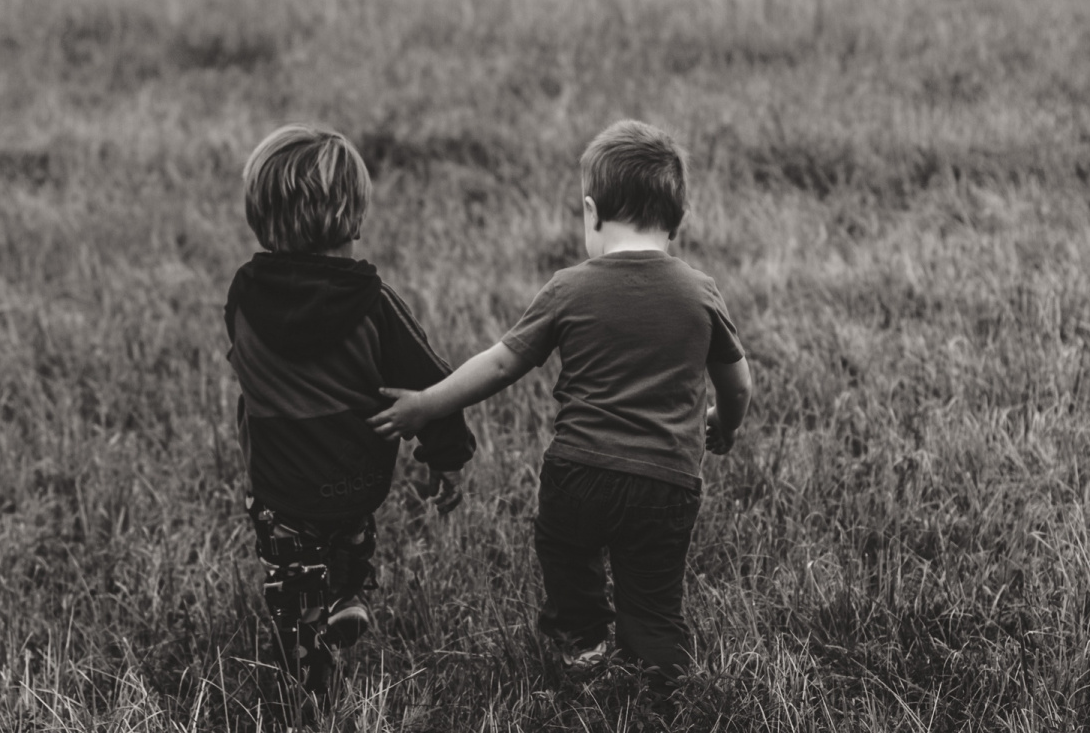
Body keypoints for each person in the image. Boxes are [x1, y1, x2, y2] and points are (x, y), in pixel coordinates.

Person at [368, 119, 752, 693]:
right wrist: (723, 423)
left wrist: (426, 403)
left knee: (568, 557)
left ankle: (583, 645)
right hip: (666, 482)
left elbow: (500, 364)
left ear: (593, 212)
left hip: (579, 474)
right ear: (680, 220)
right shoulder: (700, 292)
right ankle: (660, 673)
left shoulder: (569, 287)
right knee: (652, 595)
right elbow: (738, 382)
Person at [224, 124, 474, 723]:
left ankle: (309, 672)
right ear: (354, 217)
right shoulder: (373, 303)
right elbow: (432, 383)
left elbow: (243, 363)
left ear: (261, 217)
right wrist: (448, 454)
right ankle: (347, 592)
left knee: (292, 580)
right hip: (355, 476)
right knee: (349, 536)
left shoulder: (244, 295)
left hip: (280, 484)